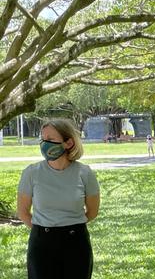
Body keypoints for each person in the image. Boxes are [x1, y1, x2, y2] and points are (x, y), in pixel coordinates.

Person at [16, 119, 100, 279]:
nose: (44, 144)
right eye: (42, 139)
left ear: (68, 143)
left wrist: (68, 226)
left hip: (76, 243)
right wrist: (44, 228)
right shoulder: (31, 173)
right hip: (41, 245)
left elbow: (92, 211)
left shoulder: (85, 173)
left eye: (51, 140)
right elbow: (23, 212)